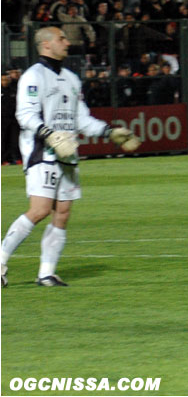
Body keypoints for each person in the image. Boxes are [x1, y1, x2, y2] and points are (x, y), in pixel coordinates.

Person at [0, 27, 140, 288]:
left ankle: (47, 273)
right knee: (40, 210)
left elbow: (81, 119)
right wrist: (50, 136)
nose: (67, 42)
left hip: (67, 152)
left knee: (62, 212)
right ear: (45, 44)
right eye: (61, 38)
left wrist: (110, 132)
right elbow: (26, 115)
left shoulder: (72, 79)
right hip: (43, 151)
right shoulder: (33, 76)